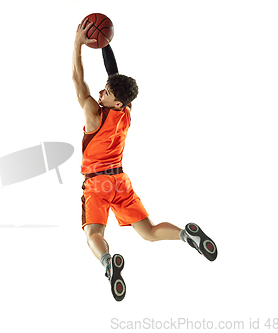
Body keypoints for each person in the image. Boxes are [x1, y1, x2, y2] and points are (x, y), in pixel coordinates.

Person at [72, 19, 218, 302]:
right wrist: (105, 44)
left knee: (93, 233)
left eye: (107, 92)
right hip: (120, 182)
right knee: (149, 232)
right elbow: (113, 75)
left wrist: (78, 44)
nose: (101, 92)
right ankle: (186, 236)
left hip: (97, 184)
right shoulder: (124, 112)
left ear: (115, 102)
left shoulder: (94, 114)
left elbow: (78, 82)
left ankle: (106, 262)